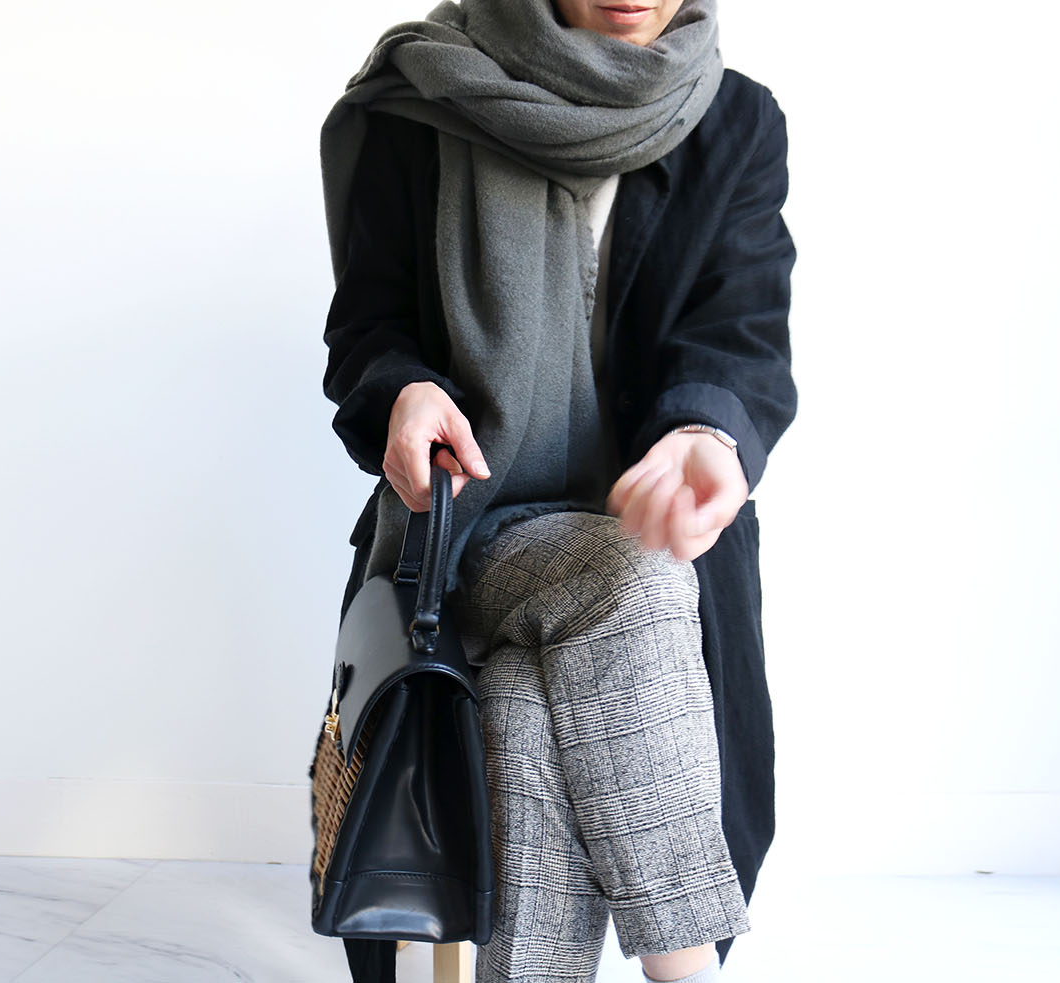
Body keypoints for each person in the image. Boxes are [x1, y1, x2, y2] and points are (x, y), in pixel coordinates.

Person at [318, 1, 796, 981]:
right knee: (635, 578)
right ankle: (688, 972)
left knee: (529, 703)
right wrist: (405, 390)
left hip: (643, 515)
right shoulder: (422, 95)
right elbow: (368, 325)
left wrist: (706, 432)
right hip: (470, 522)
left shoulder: (733, 117)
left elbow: (741, 331)